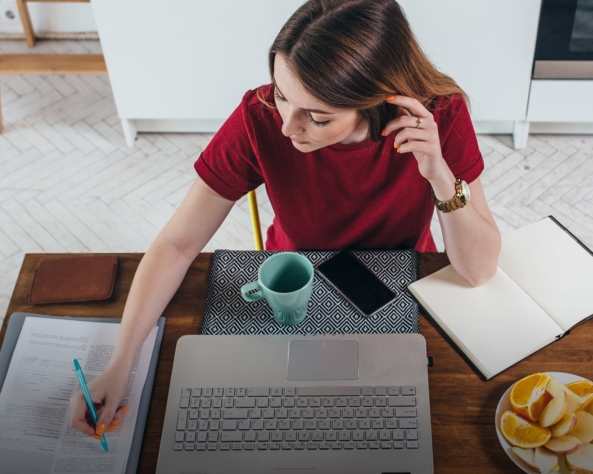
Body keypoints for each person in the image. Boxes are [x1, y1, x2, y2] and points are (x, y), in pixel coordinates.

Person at [69, 0, 501, 437]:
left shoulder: (440, 118)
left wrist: (440, 175)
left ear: (376, 101)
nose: (287, 127)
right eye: (281, 93)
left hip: (400, 286)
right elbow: (177, 243)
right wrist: (120, 364)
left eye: (317, 117)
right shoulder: (259, 115)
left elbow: (479, 270)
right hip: (293, 289)